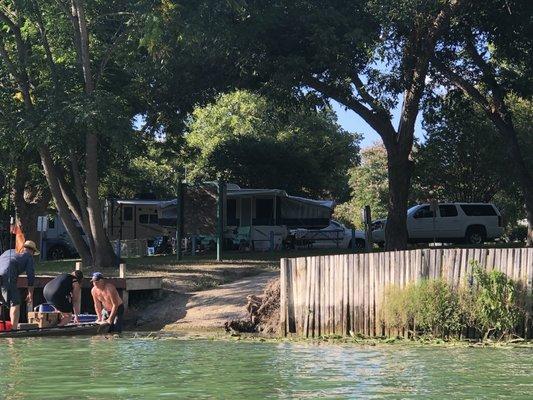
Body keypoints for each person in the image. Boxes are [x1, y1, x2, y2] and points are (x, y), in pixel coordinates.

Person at [0, 240, 38, 328]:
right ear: (32, 251)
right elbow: (31, 276)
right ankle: (13, 331)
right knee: (15, 303)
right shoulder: (28, 256)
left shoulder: (8, 251)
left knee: (1, 301)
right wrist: (30, 293)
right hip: (8, 275)